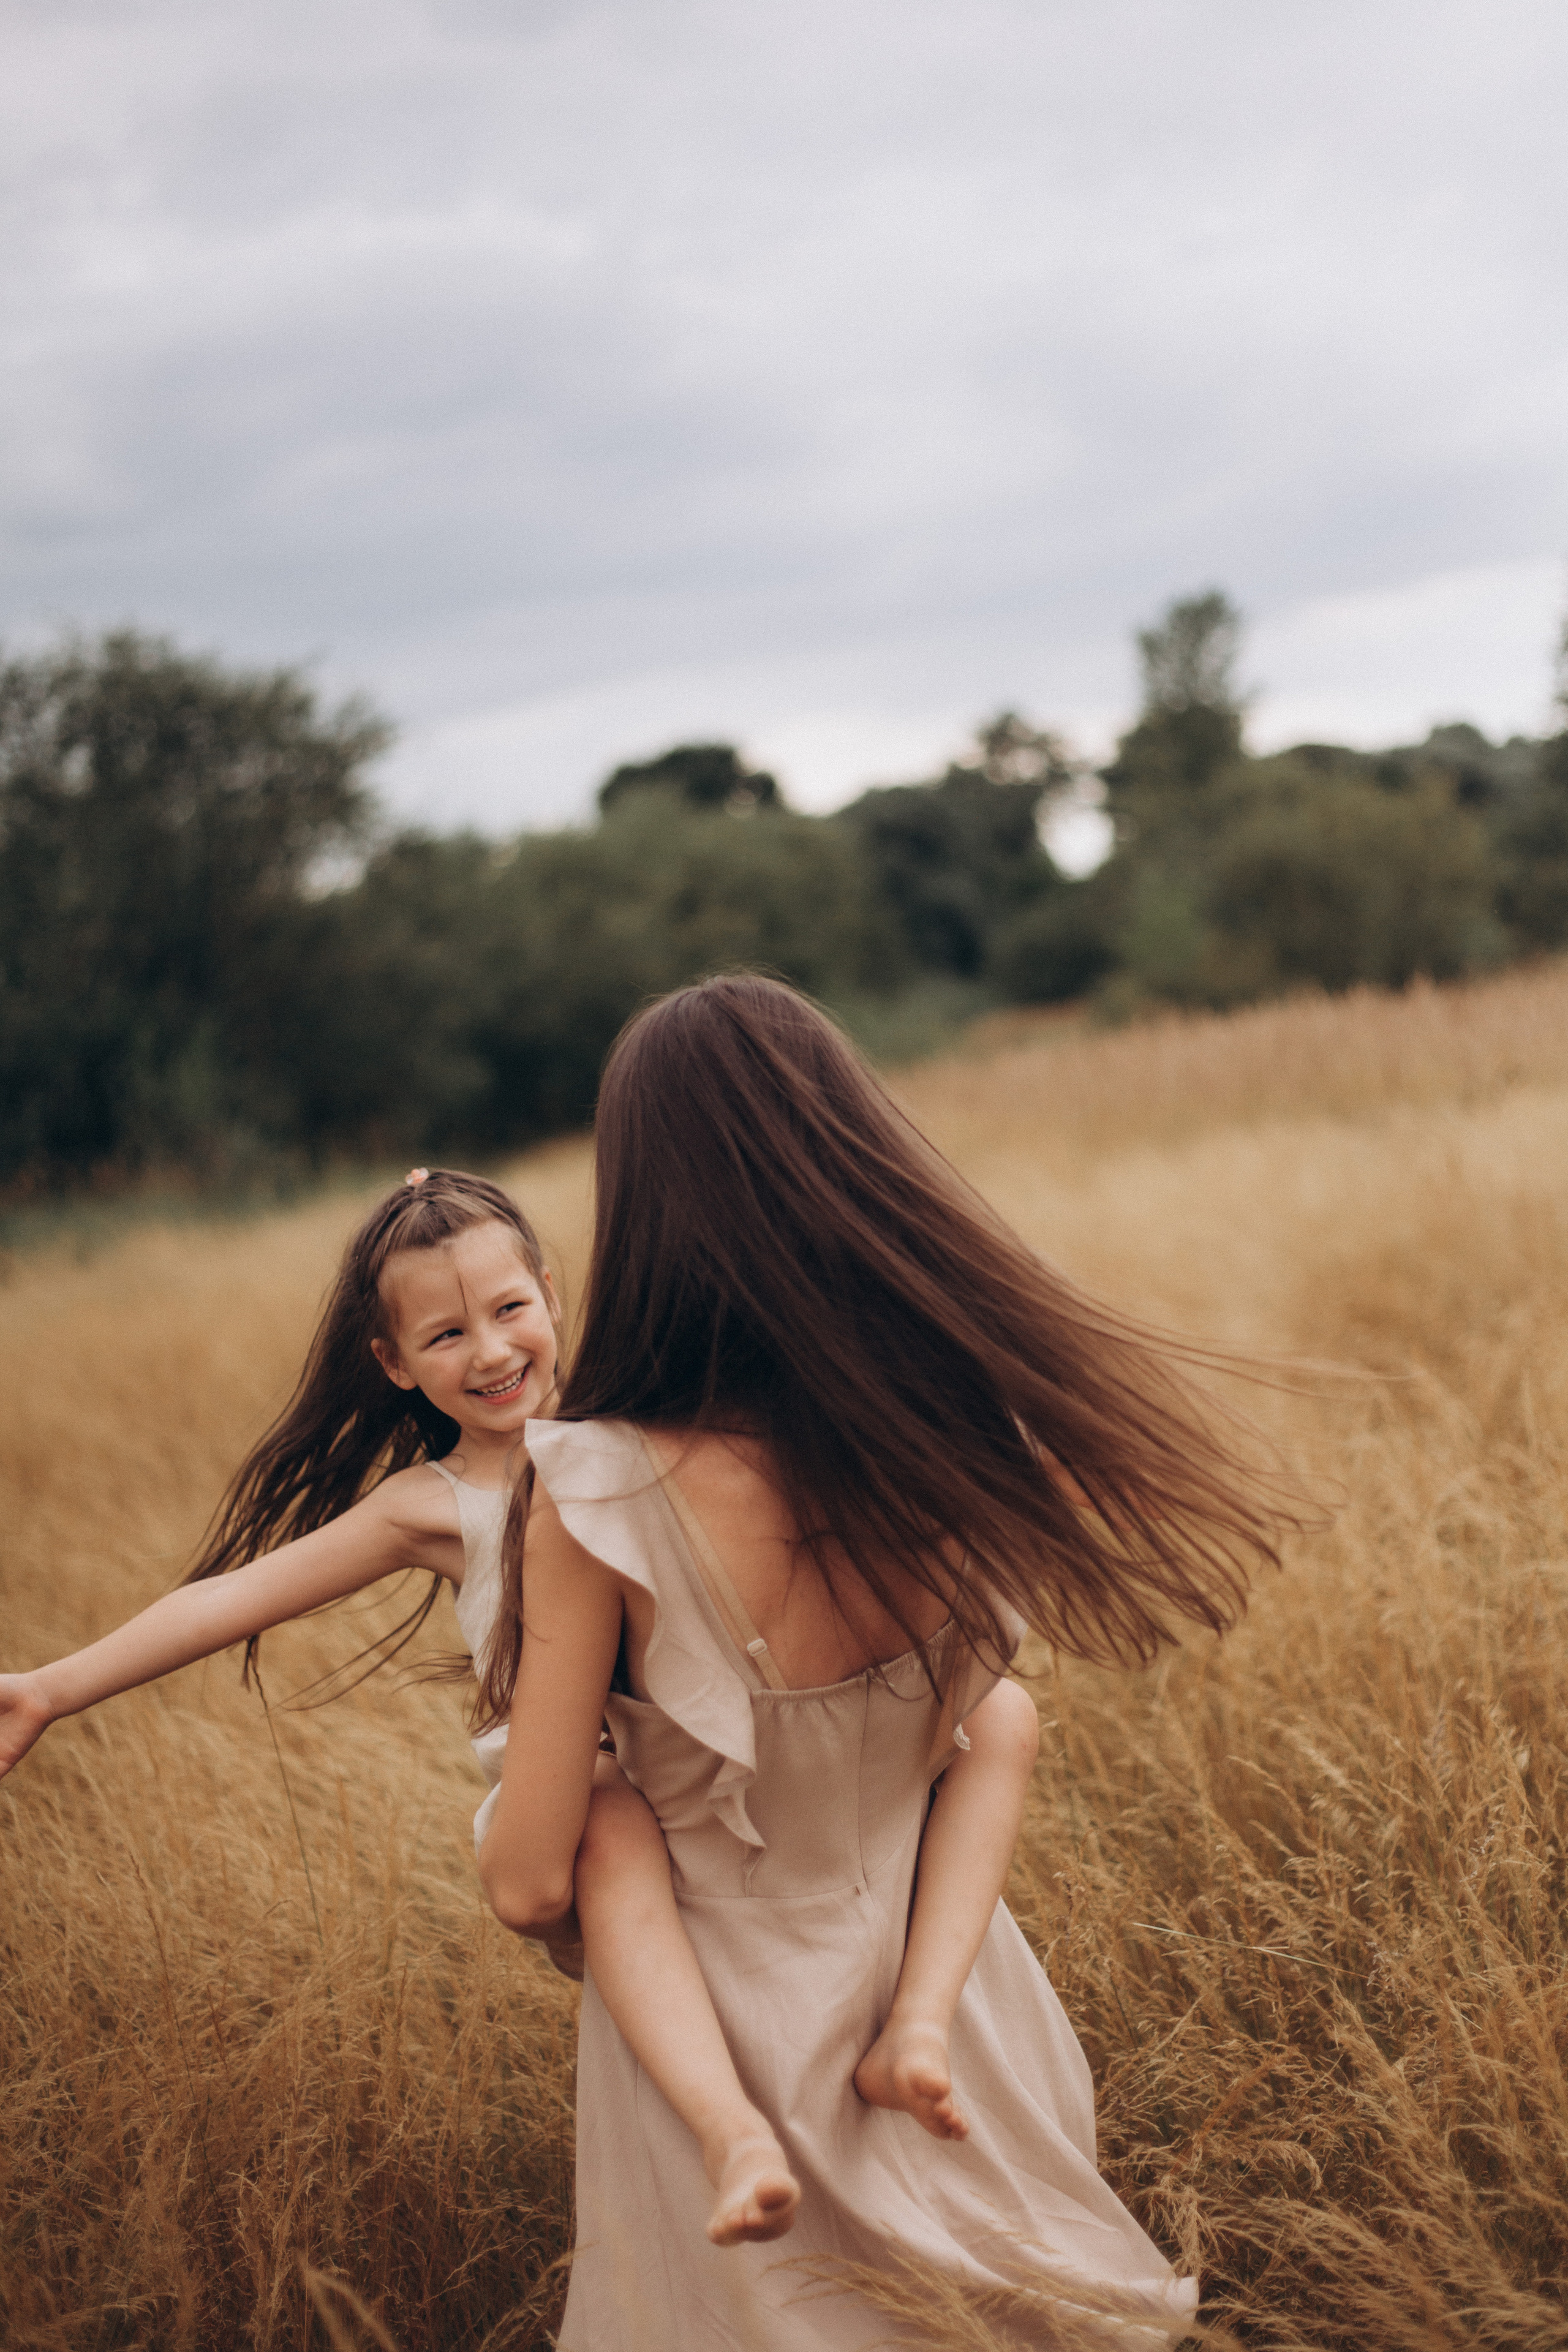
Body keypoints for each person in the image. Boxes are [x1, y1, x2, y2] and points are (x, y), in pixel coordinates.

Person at [477, 973, 1294, 2350]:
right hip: (956, 2008)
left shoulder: (596, 1488)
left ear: (644, 1205)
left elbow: (527, 1882)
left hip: (717, 2051)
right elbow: (994, 1718)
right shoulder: (949, 1426)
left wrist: (515, 1797)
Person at [0, 1164, 1035, 2250]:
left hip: (711, 1770)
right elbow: (234, 1597)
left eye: (508, 1310)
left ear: (550, 1293)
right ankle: (731, 2132)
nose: (491, 1354)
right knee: (609, 1809)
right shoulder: (430, 1504)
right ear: (392, 1365)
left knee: (1002, 1716)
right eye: (445, 1336)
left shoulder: (637, 1433)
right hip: (576, 1798)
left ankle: (917, 2021)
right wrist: (51, 1689)